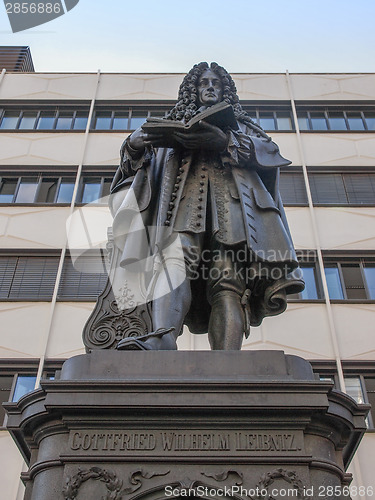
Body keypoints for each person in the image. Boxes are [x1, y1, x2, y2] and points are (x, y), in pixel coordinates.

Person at [109, 62, 304, 350]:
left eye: (216, 82)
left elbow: (269, 153)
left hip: (234, 208)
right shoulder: (171, 123)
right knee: (173, 264)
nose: (210, 86)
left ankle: (227, 357)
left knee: (228, 279)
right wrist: (134, 144)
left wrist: (224, 140)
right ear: (193, 90)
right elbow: (137, 167)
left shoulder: (244, 126)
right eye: (203, 82)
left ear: (226, 90)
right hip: (181, 206)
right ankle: (162, 338)